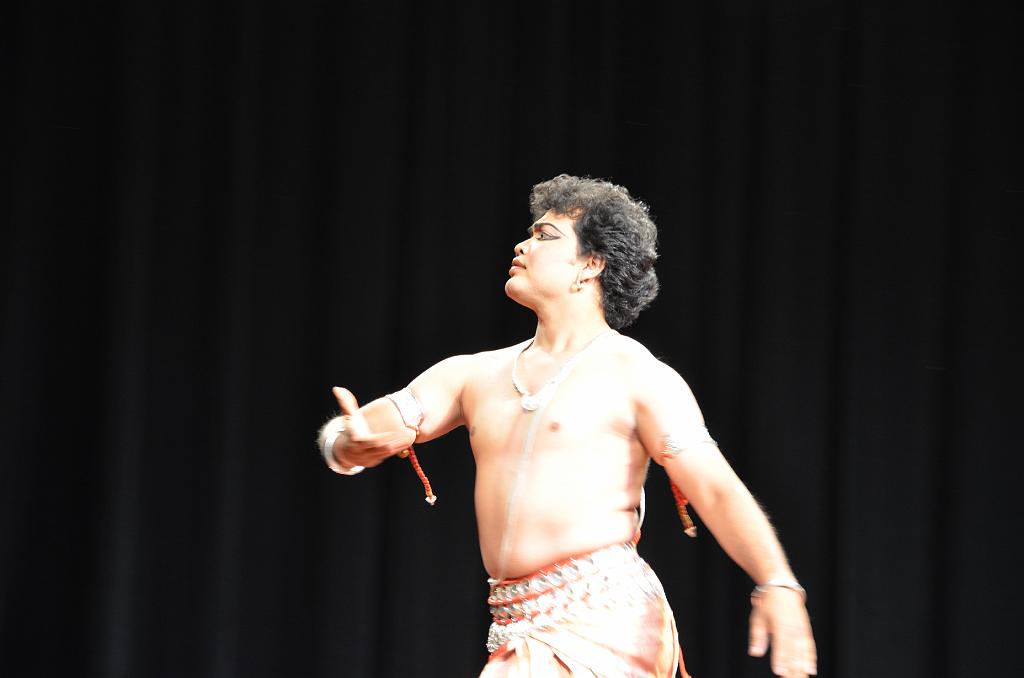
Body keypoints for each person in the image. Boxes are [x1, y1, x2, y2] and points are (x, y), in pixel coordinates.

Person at [317, 174, 817, 677]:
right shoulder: (471, 374)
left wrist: (777, 581)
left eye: (545, 236)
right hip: (519, 629)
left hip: (607, 624)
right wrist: (346, 445)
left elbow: (715, 489)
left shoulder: (638, 375)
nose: (522, 245)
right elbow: (363, 427)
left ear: (591, 265)